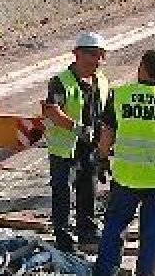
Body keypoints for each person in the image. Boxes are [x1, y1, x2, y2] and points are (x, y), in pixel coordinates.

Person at [93, 50, 155, 276]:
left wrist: (102, 159)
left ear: (142, 68)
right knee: (153, 231)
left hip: (126, 176)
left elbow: (107, 134)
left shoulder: (121, 95)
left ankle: (106, 271)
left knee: (115, 225)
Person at [41, 32, 110, 253]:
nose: (97, 60)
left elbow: (106, 113)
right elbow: (52, 111)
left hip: (89, 147)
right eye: (92, 55)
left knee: (88, 188)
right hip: (65, 149)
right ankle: (63, 236)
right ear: (77, 54)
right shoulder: (61, 82)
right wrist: (78, 129)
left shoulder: (102, 81)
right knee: (63, 192)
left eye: (101, 55)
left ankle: (86, 231)